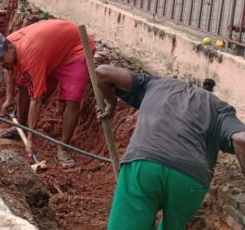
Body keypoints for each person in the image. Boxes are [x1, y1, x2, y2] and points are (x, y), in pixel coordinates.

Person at [95, 65, 245, 230]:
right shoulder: (220, 109)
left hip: (145, 164)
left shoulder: (156, 84)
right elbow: (240, 139)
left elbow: (102, 72)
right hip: (190, 178)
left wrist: (111, 102)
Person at [0, 19, 94, 168]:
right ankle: (20, 126)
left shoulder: (29, 56)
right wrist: (9, 99)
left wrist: (30, 138)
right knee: (23, 83)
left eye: (1, 59)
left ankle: (63, 148)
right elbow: (9, 70)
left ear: (9, 48)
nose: (0, 64)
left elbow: (36, 99)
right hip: (53, 49)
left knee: (72, 98)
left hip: (75, 48)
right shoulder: (10, 45)